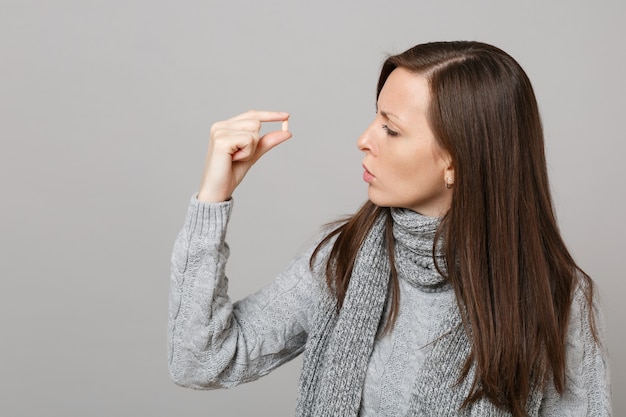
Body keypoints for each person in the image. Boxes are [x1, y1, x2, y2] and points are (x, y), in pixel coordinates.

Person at [167, 41, 612, 416]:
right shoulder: (342, 258)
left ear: (456, 163)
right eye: (375, 117)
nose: (364, 138)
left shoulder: (556, 299)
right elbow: (201, 360)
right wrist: (212, 199)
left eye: (391, 129)